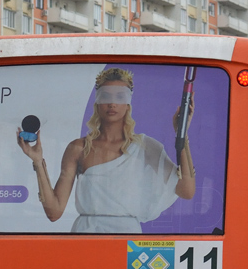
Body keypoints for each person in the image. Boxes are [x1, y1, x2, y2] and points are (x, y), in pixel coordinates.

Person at [17, 67, 195, 232]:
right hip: (86, 236)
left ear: (128, 104)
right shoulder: (78, 148)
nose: (112, 104)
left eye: (119, 97)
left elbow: (186, 190)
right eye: (106, 97)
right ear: (97, 102)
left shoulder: (145, 147)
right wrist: (38, 162)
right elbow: (54, 212)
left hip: (127, 239)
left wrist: (182, 134)